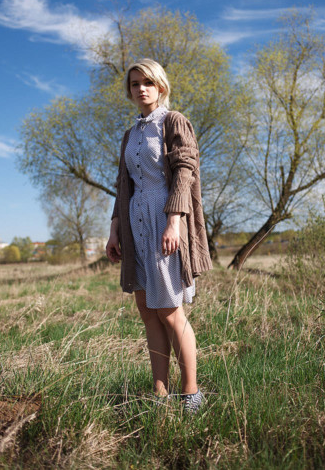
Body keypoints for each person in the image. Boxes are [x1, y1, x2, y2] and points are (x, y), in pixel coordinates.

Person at [106, 58, 212, 413]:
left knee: (170, 311)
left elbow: (185, 170)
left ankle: (191, 394)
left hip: (166, 218)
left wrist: (174, 221)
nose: (141, 89)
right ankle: (160, 394)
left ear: (161, 86)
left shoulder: (173, 122)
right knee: (147, 311)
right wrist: (114, 228)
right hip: (135, 222)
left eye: (147, 82)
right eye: (135, 84)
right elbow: (123, 185)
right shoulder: (130, 133)